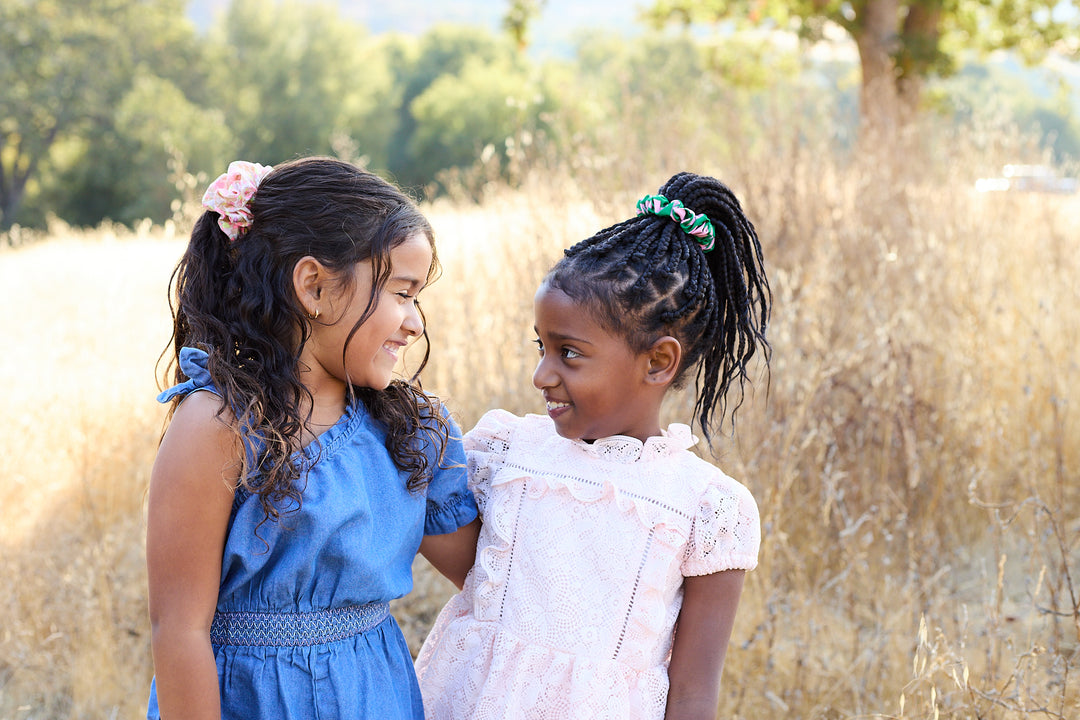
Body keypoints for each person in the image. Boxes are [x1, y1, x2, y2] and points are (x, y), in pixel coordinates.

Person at [415, 172, 771, 720]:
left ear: (658, 361)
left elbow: (694, 693)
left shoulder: (706, 507)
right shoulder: (509, 451)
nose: (541, 375)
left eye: (569, 354)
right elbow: (479, 578)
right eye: (542, 347)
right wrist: (410, 457)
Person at [145, 156, 481, 720]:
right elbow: (178, 631)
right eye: (400, 292)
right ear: (314, 286)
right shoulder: (219, 426)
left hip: (375, 698)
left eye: (417, 297)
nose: (415, 321)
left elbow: (488, 574)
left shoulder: (411, 432)